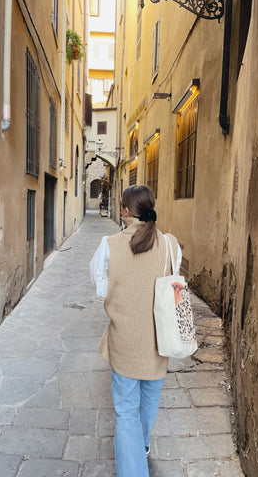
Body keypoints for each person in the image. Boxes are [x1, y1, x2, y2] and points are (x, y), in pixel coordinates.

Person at [90, 185, 182, 477]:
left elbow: (100, 288)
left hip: (124, 341)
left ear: (126, 211)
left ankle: (133, 467)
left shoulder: (109, 245)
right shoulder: (170, 245)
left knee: (126, 410)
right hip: (158, 342)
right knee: (150, 398)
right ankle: (141, 445)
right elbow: (174, 282)